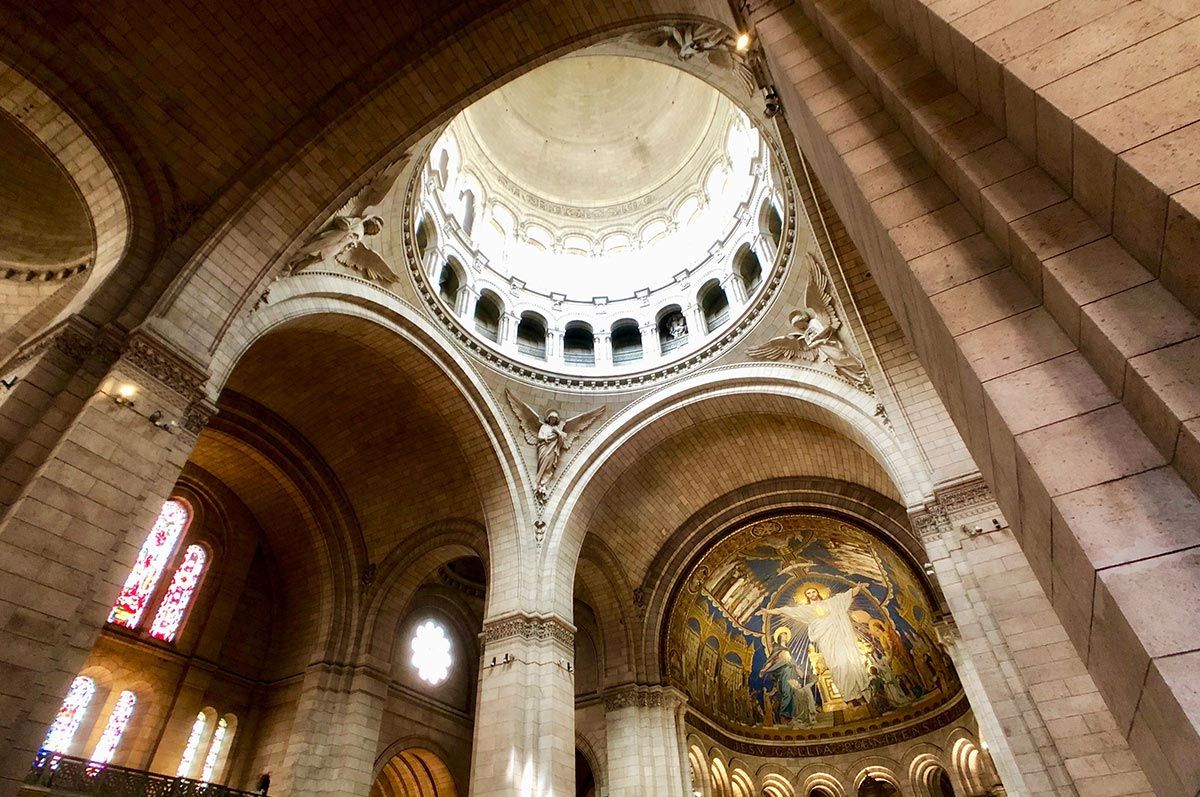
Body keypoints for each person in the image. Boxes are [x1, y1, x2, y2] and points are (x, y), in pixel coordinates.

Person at [763, 583, 871, 702]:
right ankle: (849, 695)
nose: (811, 594)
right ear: (807, 596)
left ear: (818, 592)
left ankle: (858, 693)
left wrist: (859, 587)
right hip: (825, 639)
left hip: (839, 635)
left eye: (813, 591)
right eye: (808, 593)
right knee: (835, 664)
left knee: (848, 660)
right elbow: (787, 610)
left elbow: (847, 595)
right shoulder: (806, 610)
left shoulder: (832, 602)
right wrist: (769, 611)